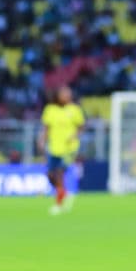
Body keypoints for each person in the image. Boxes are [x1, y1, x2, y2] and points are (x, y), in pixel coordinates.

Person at [38, 85, 84, 215]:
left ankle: (59, 203)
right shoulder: (50, 110)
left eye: (68, 94)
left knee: (59, 173)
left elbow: (81, 127)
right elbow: (47, 128)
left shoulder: (74, 110)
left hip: (69, 148)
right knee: (50, 175)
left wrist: (74, 136)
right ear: (57, 96)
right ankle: (64, 193)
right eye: (64, 94)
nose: (67, 96)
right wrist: (42, 140)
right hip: (54, 147)